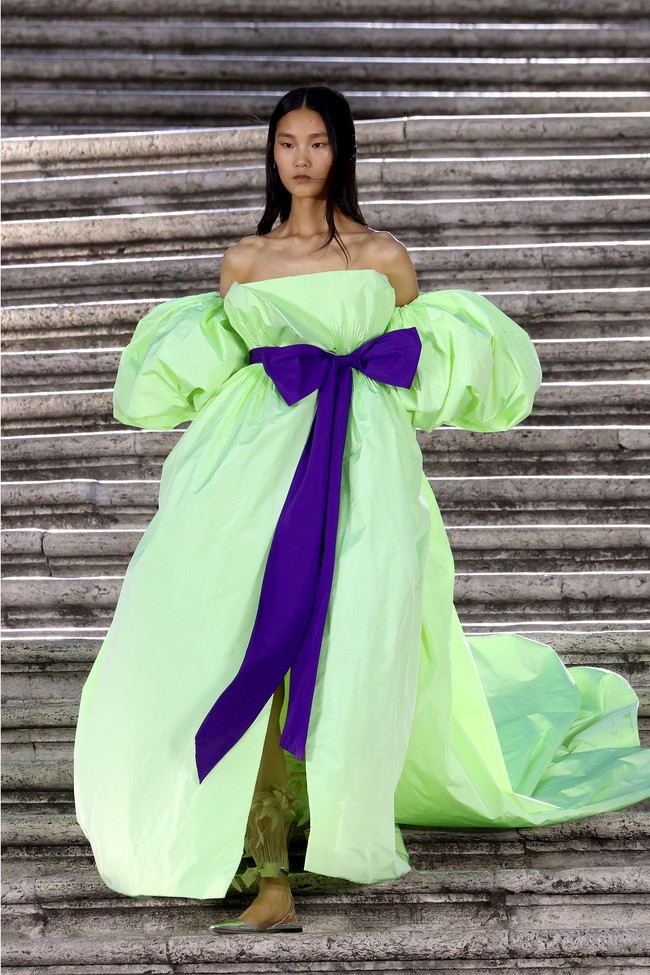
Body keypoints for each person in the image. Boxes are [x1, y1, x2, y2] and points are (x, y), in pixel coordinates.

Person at [73, 85, 650, 936]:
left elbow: (423, 361)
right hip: (254, 465)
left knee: (346, 637)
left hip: (362, 465)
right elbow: (198, 369)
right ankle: (262, 854)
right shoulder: (244, 260)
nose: (300, 159)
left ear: (340, 151)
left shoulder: (384, 256)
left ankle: (296, 822)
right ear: (272, 155)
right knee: (241, 636)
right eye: (285, 144)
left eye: (315, 143)